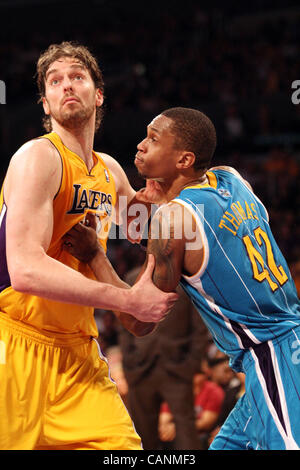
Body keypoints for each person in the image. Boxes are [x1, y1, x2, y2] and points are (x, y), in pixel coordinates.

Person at [66, 106, 300, 450]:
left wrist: (94, 256)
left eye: (154, 139)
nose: (141, 145)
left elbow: (137, 320)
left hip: (273, 360)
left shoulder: (173, 220)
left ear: (184, 159)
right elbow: (195, 230)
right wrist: (162, 198)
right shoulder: (231, 179)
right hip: (275, 353)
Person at [0, 41, 178, 450]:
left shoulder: (109, 170)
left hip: (78, 354)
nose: (66, 86)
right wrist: (128, 301)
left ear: (97, 95)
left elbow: (142, 225)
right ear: (45, 103)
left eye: (77, 77)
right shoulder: (37, 158)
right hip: (15, 344)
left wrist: (172, 194)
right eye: (55, 80)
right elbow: (24, 269)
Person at [118, 266, 208, 450]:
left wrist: (191, 364)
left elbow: (200, 328)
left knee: (186, 434)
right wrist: (129, 363)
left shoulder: (186, 282)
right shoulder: (132, 277)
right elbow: (123, 321)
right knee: (141, 437)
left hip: (178, 367)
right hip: (140, 369)